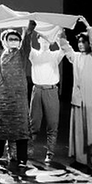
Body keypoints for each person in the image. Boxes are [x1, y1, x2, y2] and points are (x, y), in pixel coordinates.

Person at [0, 21, 36, 166]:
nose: (13, 41)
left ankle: (22, 157)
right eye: (11, 39)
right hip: (3, 98)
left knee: (21, 127)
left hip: (19, 98)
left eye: (16, 39)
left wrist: (29, 28)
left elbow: (27, 39)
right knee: (1, 127)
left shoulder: (22, 53)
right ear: (5, 42)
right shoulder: (0, 53)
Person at [60, 16, 92, 169]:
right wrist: (61, 31)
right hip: (78, 99)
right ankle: (81, 159)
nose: (81, 44)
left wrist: (87, 25)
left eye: (83, 42)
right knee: (79, 130)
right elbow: (65, 47)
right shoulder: (76, 57)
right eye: (79, 42)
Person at [28, 29, 66, 162]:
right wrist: (28, 30)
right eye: (42, 38)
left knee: (52, 123)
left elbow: (64, 47)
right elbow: (25, 45)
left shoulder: (55, 55)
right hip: (37, 90)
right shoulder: (34, 54)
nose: (44, 41)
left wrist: (60, 34)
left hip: (51, 90)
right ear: (38, 40)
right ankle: (29, 148)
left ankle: (50, 152)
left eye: (47, 39)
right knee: (34, 123)